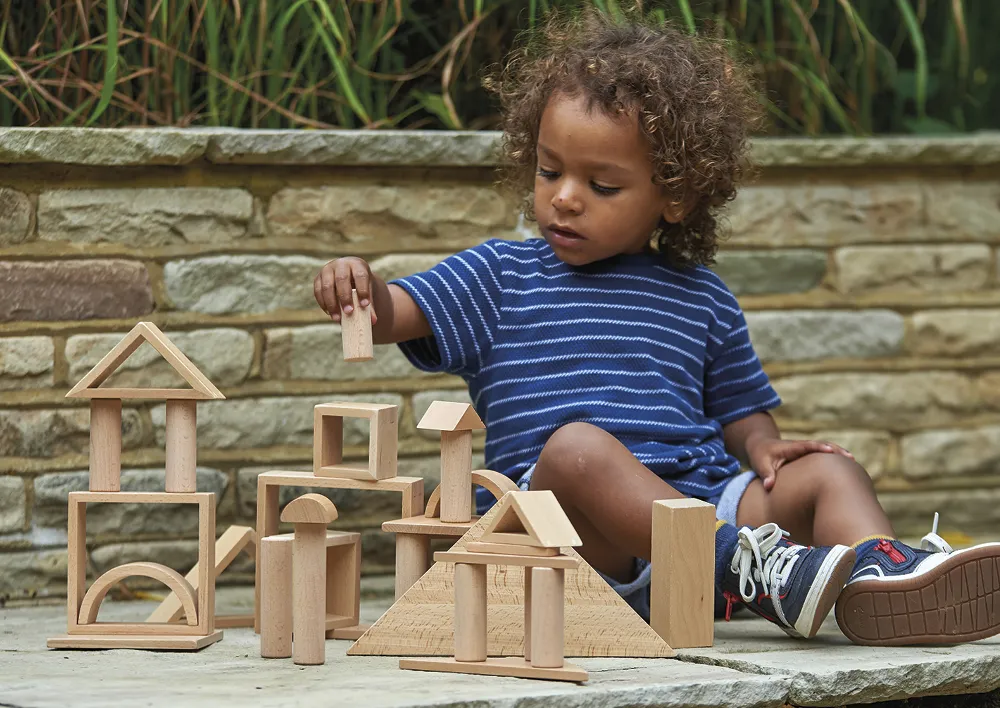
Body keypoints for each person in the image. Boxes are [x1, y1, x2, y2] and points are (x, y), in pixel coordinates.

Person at [313, 11, 1000, 646]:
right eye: (549, 170)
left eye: (601, 185)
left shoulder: (699, 294)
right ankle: (749, 570)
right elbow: (392, 311)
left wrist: (765, 449)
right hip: (571, 541)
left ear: (674, 194)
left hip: (699, 502)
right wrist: (357, 284)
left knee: (828, 470)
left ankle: (880, 586)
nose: (564, 197)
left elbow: (740, 410)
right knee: (578, 447)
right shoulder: (500, 275)